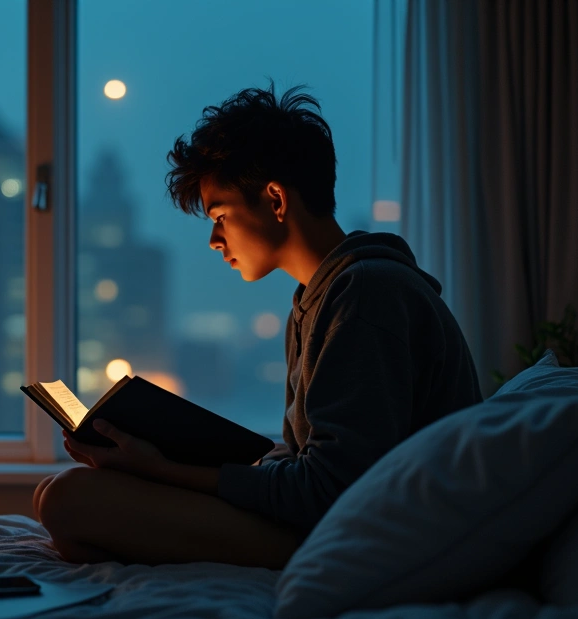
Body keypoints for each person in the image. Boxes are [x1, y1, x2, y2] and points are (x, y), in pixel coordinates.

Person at [33, 84, 482, 569]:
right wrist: (167, 464)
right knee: (55, 495)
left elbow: (329, 489)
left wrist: (166, 470)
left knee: (69, 499)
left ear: (275, 199)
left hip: (371, 541)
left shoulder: (367, 295)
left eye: (221, 216)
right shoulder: (316, 299)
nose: (214, 239)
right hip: (331, 523)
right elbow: (307, 460)